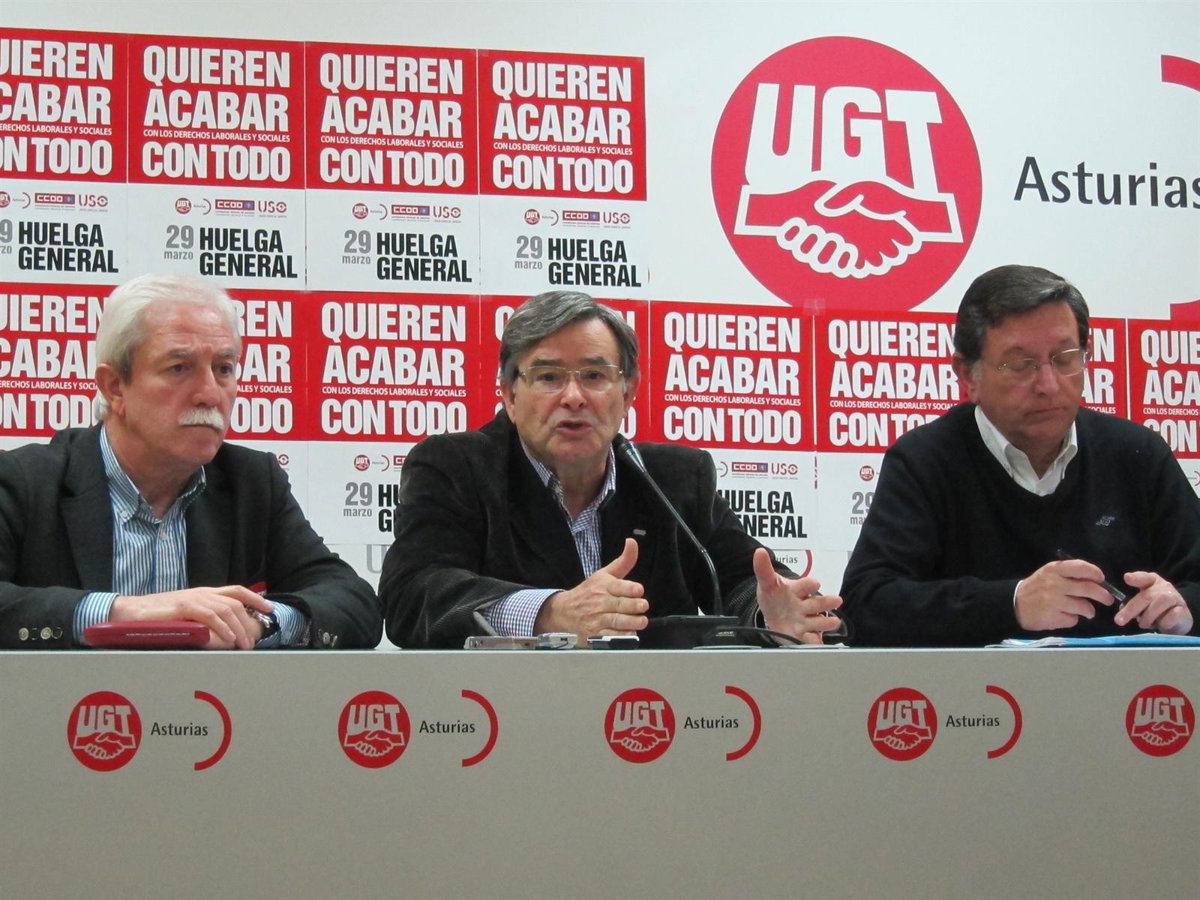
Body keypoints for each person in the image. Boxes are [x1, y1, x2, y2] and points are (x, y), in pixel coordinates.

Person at [378, 290, 843, 648]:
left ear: (628, 392)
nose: (574, 397)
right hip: (509, 718)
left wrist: (768, 614)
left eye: (595, 376)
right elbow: (411, 595)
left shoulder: (676, 479)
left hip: (660, 717)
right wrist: (549, 614)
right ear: (509, 395)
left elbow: (746, 580)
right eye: (548, 377)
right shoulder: (457, 467)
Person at [0, 273, 382, 649]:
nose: (209, 395)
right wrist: (124, 612)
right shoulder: (24, 481)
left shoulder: (251, 482)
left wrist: (258, 623)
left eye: (223, 369)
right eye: (179, 368)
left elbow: (353, 603)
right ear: (114, 387)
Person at [839, 264, 1200, 646]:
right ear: (968, 376)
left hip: (1128, 684)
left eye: (1064, 358)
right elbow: (865, 605)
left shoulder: (1136, 454)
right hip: (976, 686)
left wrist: (1185, 608)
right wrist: (1011, 603)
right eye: (1020, 364)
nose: (1048, 384)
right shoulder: (926, 460)